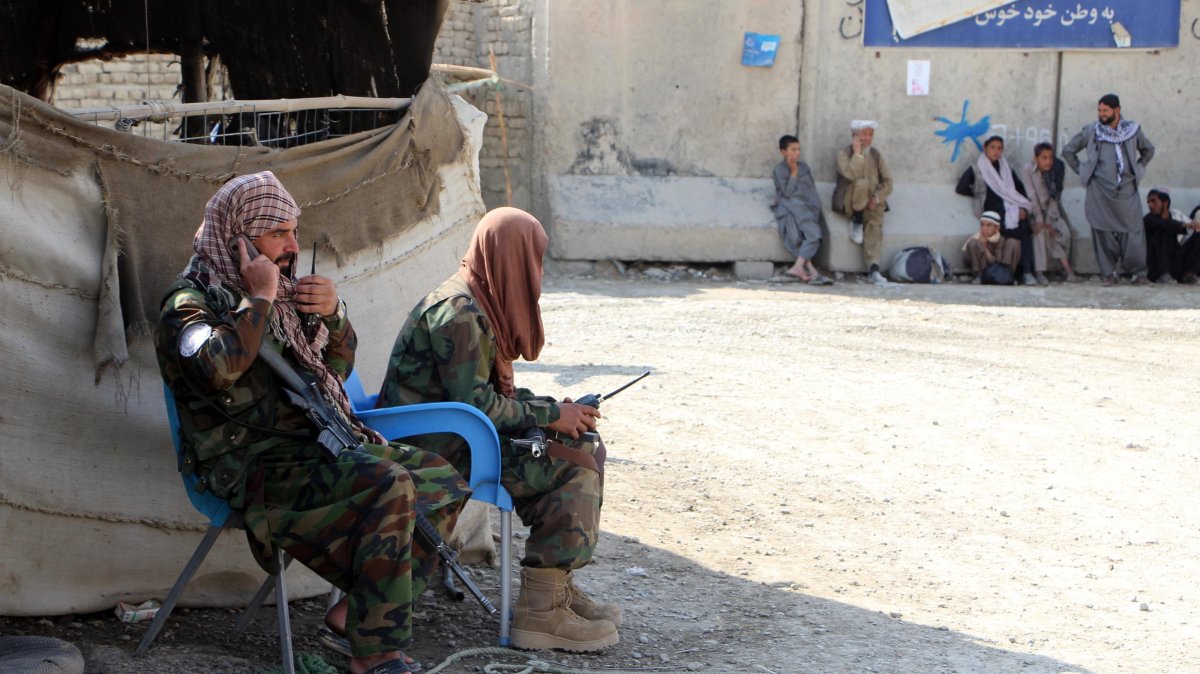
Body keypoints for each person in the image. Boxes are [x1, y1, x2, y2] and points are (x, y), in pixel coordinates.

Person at [156, 172, 468, 674]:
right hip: (252, 467)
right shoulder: (189, 304)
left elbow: (335, 373)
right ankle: (379, 653)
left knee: (442, 480)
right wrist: (257, 299)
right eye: (278, 233)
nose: (292, 246)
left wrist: (334, 314)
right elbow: (218, 369)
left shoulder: (284, 301)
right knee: (389, 484)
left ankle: (357, 615)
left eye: (295, 232)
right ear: (238, 234)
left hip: (312, 448)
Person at [377, 208, 621, 653]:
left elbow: (479, 393)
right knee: (574, 461)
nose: (537, 272)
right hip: (436, 448)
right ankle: (541, 612)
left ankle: (554, 587)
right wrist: (548, 417)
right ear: (509, 257)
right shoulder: (459, 312)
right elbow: (474, 404)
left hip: (457, 435)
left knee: (577, 440)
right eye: (533, 259)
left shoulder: (474, 298)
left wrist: (554, 410)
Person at [1062, 93, 1156, 286]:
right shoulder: (1092, 131)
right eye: (1099, 110)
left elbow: (1148, 150)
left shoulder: (1132, 130)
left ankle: (1138, 273)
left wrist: (1138, 169)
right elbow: (1068, 151)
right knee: (1102, 231)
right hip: (1099, 191)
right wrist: (1082, 170)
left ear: (1117, 110)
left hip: (1127, 191)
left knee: (1133, 231)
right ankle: (1109, 273)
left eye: (1105, 110)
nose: (1101, 114)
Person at [956, 136, 1037, 285]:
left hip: (1010, 207)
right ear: (985, 148)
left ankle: (1026, 273)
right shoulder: (978, 168)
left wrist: (1023, 207)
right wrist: (979, 195)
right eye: (992, 147)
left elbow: (1018, 188)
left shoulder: (1006, 167)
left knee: (1024, 229)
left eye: (999, 148)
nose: (996, 151)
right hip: (993, 212)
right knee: (1005, 232)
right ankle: (991, 273)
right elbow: (961, 187)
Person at [835, 119, 893, 284]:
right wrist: (858, 153)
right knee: (862, 183)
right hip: (851, 202)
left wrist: (876, 197)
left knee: (875, 225)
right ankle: (857, 219)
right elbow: (851, 175)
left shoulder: (876, 155)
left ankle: (873, 268)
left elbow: (888, 182)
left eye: (870, 134)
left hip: (871, 203)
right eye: (864, 134)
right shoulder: (844, 154)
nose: (868, 138)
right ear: (855, 136)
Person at [772, 135, 831, 284]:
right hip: (791, 210)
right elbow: (786, 194)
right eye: (793, 149)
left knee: (814, 235)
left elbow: (810, 191)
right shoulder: (779, 171)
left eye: (798, 149)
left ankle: (800, 268)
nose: (797, 153)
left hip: (807, 211)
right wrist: (793, 173)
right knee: (798, 238)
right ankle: (808, 269)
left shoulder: (804, 167)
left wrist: (815, 209)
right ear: (783, 152)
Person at [1023, 142, 1079, 283]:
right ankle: (1039, 272)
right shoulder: (1028, 170)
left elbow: (1055, 197)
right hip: (1034, 212)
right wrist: (1040, 219)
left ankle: (1067, 270)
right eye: (1044, 158)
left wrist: (1048, 221)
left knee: (1059, 231)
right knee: (1040, 232)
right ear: (1036, 158)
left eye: (1050, 157)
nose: (1048, 161)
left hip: (1052, 212)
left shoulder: (1057, 169)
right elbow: (1032, 195)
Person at [1143, 188, 1200, 284]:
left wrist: (1194, 226)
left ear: (1165, 203)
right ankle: (1163, 275)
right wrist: (1186, 225)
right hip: (1157, 269)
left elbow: (1182, 228)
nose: (1150, 205)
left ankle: (1190, 274)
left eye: (1153, 201)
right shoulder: (1148, 219)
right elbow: (1166, 224)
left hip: (1174, 264)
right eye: (1148, 202)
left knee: (1198, 235)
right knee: (1163, 231)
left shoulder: (1174, 215)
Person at [962, 211, 1021, 283]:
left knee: (1014, 243)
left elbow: (997, 262)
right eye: (982, 225)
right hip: (982, 269)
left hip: (995, 268)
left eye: (988, 225)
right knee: (973, 243)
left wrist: (985, 248)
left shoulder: (1000, 239)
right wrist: (981, 245)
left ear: (996, 228)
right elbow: (966, 259)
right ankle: (978, 276)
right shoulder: (976, 239)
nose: (984, 228)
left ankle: (1008, 276)